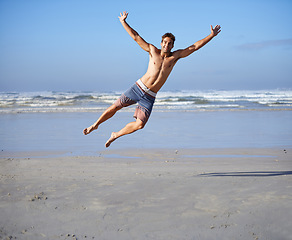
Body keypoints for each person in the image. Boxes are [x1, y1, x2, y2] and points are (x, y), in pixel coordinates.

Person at [83, 11, 221, 147]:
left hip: (150, 96)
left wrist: (211, 35)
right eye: (165, 42)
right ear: (161, 43)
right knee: (115, 107)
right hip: (138, 88)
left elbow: (195, 47)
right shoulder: (152, 50)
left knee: (140, 125)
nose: (167, 45)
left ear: (173, 45)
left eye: (170, 43)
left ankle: (115, 135)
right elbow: (136, 37)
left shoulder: (175, 57)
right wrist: (123, 22)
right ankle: (95, 125)